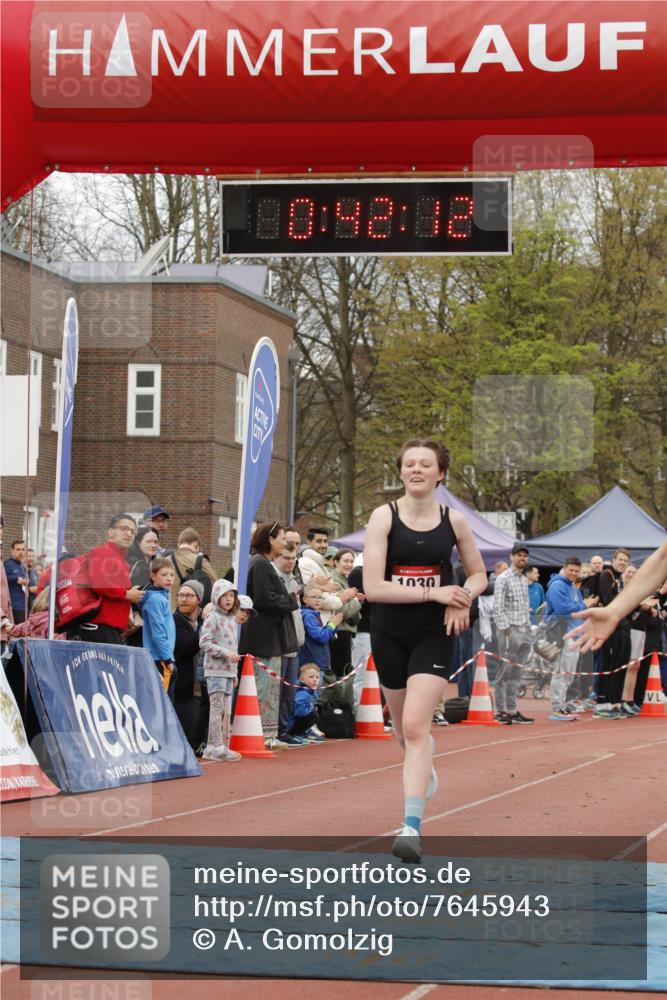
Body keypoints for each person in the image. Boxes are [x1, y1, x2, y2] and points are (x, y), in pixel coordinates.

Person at [363, 438, 487, 863]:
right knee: (402, 732)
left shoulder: (454, 521)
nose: (416, 470)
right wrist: (435, 593)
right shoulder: (384, 516)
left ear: (440, 474)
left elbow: (477, 575)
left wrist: (463, 597)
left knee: (417, 726)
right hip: (389, 631)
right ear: (400, 472)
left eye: (425, 464)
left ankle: (410, 828)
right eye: (409, 464)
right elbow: (373, 587)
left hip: (435, 633)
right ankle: (423, 765)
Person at [238, 522, 299, 750]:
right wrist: (292, 600)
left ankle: (267, 733)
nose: (285, 543)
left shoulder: (261, 563)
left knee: (269, 687)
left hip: (266, 637)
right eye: (282, 538)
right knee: (264, 687)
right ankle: (263, 734)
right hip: (263, 638)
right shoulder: (261, 564)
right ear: (270, 539)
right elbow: (266, 600)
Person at [567, 540, 667, 650]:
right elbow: (661, 560)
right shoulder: (607, 575)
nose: (622, 563)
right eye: (620, 559)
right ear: (613, 560)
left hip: (624, 626)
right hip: (616, 627)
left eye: (625, 560)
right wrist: (615, 611)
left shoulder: (618, 579)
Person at [72, 514, 144, 644]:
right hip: (99, 629)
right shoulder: (102, 553)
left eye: (133, 531)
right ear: (110, 532)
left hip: (110, 630)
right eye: (124, 529)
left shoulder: (120, 559)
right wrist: (127, 594)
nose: (129, 534)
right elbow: (100, 584)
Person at [543, 556, 598, 721]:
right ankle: (556, 709)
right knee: (561, 672)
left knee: (569, 674)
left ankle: (562, 705)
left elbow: (578, 613)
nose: (573, 573)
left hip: (575, 635)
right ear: (564, 568)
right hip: (561, 634)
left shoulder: (574, 586)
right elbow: (562, 609)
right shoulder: (557, 585)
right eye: (571, 570)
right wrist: (585, 605)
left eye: (576, 571)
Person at [199, 579, 242, 762]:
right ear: (216, 597)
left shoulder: (232, 620)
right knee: (216, 709)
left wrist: (234, 673)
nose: (228, 599)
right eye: (224, 595)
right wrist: (225, 653)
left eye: (231, 595)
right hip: (215, 670)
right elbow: (204, 642)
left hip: (227, 671)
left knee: (222, 710)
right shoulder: (213, 618)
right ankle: (217, 746)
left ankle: (212, 746)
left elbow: (234, 647)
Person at [492, 543, 535, 725]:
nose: (522, 558)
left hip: (523, 630)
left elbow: (524, 608)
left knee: (516, 673)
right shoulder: (503, 579)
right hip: (508, 631)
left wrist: (528, 629)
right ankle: (501, 711)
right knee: (504, 672)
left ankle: (512, 709)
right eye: (519, 555)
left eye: (525, 556)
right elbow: (497, 609)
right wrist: (509, 633)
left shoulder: (524, 579)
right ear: (511, 557)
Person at [173, 580, 205, 750]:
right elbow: (186, 647)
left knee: (201, 742)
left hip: (202, 688)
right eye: (181, 595)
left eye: (189, 596)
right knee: (189, 742)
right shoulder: (175, 620)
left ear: (199, 599)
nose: (184, 599)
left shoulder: (200, 622)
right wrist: (203, 626)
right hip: (184, 690)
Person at [139, 557, 177, 698]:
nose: (169, 579)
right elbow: (158, 632)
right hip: (160, 658)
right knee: (164, 703)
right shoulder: (155, 600)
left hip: (163, 657)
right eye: (164, 574)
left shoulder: (162, 597)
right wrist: (167, 659)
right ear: (153, 576)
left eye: (172, 575)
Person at [328, 549, 362, 678]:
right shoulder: (334, 581)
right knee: (341, 673)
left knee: (345, 670)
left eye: (351, 561)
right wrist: (357, 600)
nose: (349, 564)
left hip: (344, 632)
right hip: (339, 632)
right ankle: (339, 698)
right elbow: (344, 611)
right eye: (345, 561)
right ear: (336, 562)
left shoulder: (345, 580)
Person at [168, 528, 217, 610]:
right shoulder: (201, 561)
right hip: (192, 614)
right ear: (196, 544)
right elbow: (216, 585)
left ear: (178, 544)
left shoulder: (164, 560)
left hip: (169, 613)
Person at [287, 663, 326, 743]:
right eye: (311, 677)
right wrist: (311, 709)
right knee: (313, 715)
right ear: (301, 679)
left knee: (314, 713)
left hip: (294, 722)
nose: (315, 680)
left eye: (317, 677)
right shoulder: (303, 693)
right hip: (291, 723)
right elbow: (298, 712)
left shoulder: (308, 692)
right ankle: (295, 734)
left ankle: (303, 733)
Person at [4, 539, 28, 625]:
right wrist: (16, 579)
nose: (21, 552)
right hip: (13, 607)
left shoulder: (22, 566)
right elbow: (2, 579)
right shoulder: (7, 564)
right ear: (12, 550)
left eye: (23, 549)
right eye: (18, 549)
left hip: (23, 606)